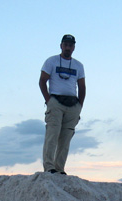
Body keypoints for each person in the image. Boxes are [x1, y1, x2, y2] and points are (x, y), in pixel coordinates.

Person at [39, 34, 86, 175]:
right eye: (65, 44)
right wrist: (49, 100)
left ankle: (60, 168)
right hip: (56, 102)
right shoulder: (51, 61)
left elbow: (82, 86)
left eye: (70, 45)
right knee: (52, 134)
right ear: (61, 46)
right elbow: (42, 81)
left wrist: (79, 106)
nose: (68, 47)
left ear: (74, 47)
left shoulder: (78, 65)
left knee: (66, 138)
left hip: (72, 104)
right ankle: (49, 167)